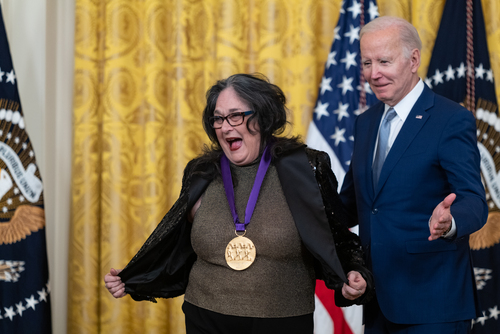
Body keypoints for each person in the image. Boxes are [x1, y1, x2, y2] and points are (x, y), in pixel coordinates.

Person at [104, 73, 374, 334]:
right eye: (218, 118)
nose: (225, 126)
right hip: (204, 317)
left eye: (236, 115)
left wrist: (355, 273)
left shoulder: (308, 168)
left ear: (264, 117)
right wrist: (134, 278)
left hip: (283, 321)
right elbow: (176, 245)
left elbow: (340, 238)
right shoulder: (200, 172)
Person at [339, 16, 488, 333]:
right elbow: (352, 205)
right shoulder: (365, 122)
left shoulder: (451, 119)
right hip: (377, 302)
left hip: (434, 305)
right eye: (367, 63)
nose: (373, 74)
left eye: (384, 61)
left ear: (413, 59)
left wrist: (450, 222)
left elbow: (474, 201)